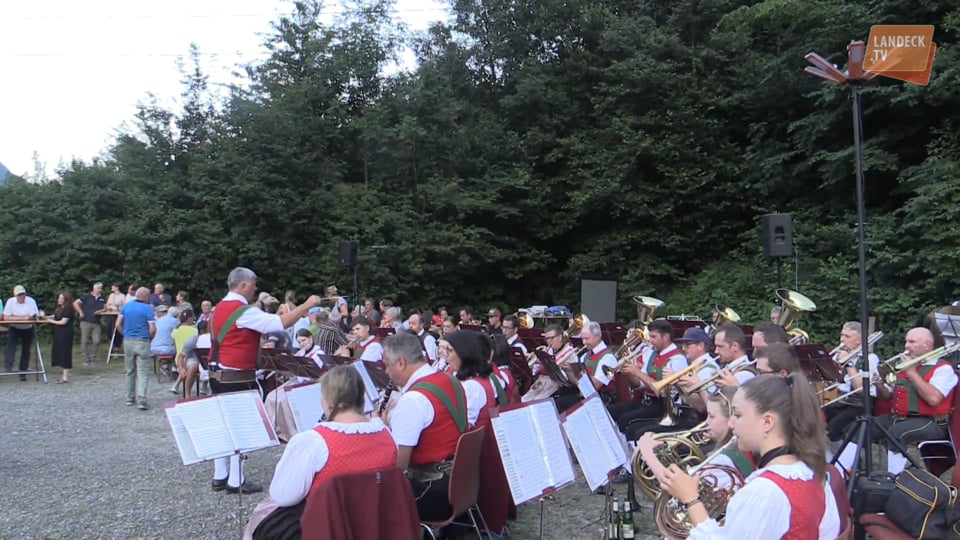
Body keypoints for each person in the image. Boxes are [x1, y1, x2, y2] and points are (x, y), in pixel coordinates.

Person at [659, 374, 840, 539]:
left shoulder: (763, 491)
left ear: (767, 422)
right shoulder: (814, 476)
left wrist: (691, 499)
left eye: (738, 415)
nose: (731, 424)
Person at [243, 365, 398, 540]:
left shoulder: (313, 440)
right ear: (362, 398)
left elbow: (283, 496)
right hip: (374, 524)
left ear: (328, 401)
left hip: (329, 530)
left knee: (267, 521)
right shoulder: (387, 435)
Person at [209, 267, 320, 494]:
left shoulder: (219, 307)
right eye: (253, 285)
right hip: (237, 376)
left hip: (218, 373)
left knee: (224, 424)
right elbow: (281, 323)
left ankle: (220, 474)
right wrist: (307, 305)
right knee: (241, 427)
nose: (255, 288)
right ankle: (236, 480)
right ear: (243, 285)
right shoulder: (243, 311)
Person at [837, 327, 957, 475]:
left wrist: (911, 372)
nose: (906, 345)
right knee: (859, 426)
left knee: (897, 433)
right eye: (906, 341)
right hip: (898, 417)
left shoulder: (943, 369)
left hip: (931, 421)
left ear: (927, 345)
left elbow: (933, 399)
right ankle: (843, 472)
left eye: (912, 342)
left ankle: (894, 478)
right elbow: (888, 396)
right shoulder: (904, 365)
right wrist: (879, 384)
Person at [381, 332, 466, 521]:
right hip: (460, 483)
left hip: (431, 491)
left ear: (401, 363)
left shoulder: (413, 400)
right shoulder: (451, 380)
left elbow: (398, 466)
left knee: (361, 495)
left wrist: (382, 432)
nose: (386, 371)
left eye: (387, 364)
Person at [638, 387, 755, 490]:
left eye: (711, 416)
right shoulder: (742, 449)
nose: (706, 422)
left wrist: (648, 453)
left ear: (731, 420)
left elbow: (681, 489)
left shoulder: (723, 461)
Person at [823, 321, 880, 443]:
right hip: (839, 401)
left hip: (859, 405)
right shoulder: (837, 355)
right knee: (814, 421)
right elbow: (830, 383)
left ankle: (841, 454)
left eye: (847, 336)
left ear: (859, 340)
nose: (842, 340)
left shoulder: (869, 358)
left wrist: (848, 363)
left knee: (831, 430)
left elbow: (860, 387)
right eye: (842, 335)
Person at [114, 287, 156, 409]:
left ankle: (129, 398)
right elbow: (152, 329)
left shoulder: (126, 306)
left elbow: (117, 324)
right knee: (142, 371)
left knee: (130, 370)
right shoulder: (147, 308)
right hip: (142, 341)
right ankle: (141, 399)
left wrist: (124, 334)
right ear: (146, 297)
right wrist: (150, 338)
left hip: (128, 341)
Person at [4, 285, 40, 379]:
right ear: (15, 295)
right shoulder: (10, 301)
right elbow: (6, 317)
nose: (21, 296)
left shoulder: (31, 301)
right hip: (14, 327)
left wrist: (15, 317)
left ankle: (23, 372)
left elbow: (33, 316)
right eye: (19, 295)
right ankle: (8, 365)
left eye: (23, 294)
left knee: (26, 350)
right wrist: (23, 318)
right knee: (11, 346)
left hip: (28, 328)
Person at [73, 282, 105, 366]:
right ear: (94, 289)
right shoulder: (87, 296)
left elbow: (106, 307)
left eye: (101, 288)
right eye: (98, 288)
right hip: (85, 321)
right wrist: (80, 312)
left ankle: (93, 357)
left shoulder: (102, 298)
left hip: (96, 322)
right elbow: (75, 303)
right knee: (84, 340)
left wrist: (100, 311)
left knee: (97, 340)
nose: (100, 290)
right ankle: (85, 357)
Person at [49, 292, 76, 384]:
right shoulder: (60, 308)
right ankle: (63, 374)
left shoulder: (68, 309)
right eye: (59, 298)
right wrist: (44, 316)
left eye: (61, 298)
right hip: (58, 333)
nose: (59, 300)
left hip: (65, 334)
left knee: (65, 353)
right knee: (59, 352)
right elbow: (55, 316)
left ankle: (65, 376)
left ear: (66, 300)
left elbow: (63, 322)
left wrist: (51, 321)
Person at [172, 308, 200, 396]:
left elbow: (174, 345)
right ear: (189, 318)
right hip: (189, 357)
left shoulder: (175, 331)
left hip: (178, 358)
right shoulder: (194, 331)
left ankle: (177, 385)